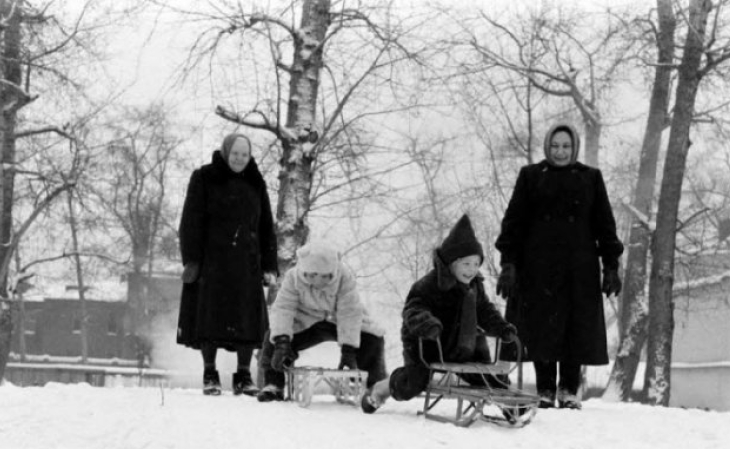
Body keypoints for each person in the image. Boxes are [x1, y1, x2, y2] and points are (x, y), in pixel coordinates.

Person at [495, 123, 624, 410]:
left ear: (574, 148)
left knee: (574, 328)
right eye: (555, 146)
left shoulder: (590, 178)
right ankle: (544, 391)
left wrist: (611, 265)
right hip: (537, 269)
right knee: (541, 327)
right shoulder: (531, 177)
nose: (560, 151)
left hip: (578, 270)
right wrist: (509, 265)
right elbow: (513, 224)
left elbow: (605, 225)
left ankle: (567, 390)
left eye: (566, 146)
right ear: (547, 147)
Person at [361, 214, 518, 414]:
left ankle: (509, 404)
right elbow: (414, 309)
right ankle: (382, 388)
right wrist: (427, 323)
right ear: (452, 263)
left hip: (464, 344)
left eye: (476, 264)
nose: (472, 270)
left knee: (489, 375)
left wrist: (502, 329)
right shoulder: (429, 285)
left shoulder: (475, 286)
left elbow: (486, 311)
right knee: (414, 382)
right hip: (428, 342)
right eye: (466, 264)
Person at [176, 134, 278, 396]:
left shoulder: (256, 183)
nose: (239, 159)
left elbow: (266, 226)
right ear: (225, 152)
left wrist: (269, 265)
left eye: (244, 155)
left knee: (247, 320)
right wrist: (192, 260)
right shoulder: (204, 178)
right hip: (212, 263)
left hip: (247, 263)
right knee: (210, 318)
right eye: (235, 154)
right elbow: (191, 221)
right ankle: (210, 373)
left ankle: (243, 375)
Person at [256, 241, 387, 402]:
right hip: (306, 321)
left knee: (373, 338)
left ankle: (375, 388)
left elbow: (349, 312)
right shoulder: (293, 277)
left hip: (336, 320)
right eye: (312, 275)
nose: (318, 281)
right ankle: (273, 385)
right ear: (304, 272)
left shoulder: (344, 277)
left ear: (333, 272)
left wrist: (348, 351)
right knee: (273, 336)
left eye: (324, 276)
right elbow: (283, 309)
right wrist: (282, 342)